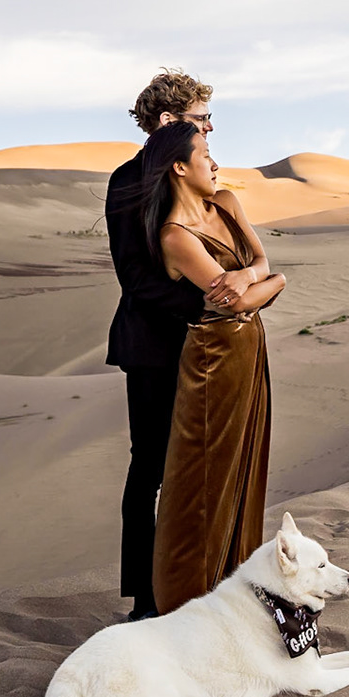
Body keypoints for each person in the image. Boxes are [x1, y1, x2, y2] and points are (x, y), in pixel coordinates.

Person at [139, 120, 287, 614]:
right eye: (205, 153)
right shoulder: (174, 236)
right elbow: (231, 307)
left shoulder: (227, 203)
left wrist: (259, 276)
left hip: (249, 354)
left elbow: (260, 268)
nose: (216, 162)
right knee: (201, 479)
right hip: (213, 359)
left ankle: (237, 594)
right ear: (180, 166)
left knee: (244, 467)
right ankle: (185, 606)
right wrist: (275, 284)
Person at [104, 71, 217, 621]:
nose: (211, 126)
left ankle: (194, 583)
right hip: (152, 347)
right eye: (201, 117)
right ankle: (146, 601)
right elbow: (135, 277)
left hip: (208, 348)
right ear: (170, 121)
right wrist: (206, 308)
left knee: (197, 469)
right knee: (149, 467)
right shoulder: (128, 179)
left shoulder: (198, 175)